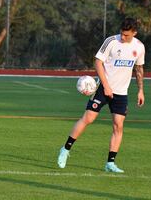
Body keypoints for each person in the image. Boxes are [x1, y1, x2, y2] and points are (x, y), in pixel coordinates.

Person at [57, 17, 145, 173]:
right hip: (103, 89)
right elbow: (98, 62)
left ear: (134, 33)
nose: (123, 37)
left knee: (118, 126)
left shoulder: (139, 47)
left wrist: (140, 90)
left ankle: (110, 163)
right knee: (88, 118)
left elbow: (138, 69)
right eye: (121, 34)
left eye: (126, 35)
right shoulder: (111, 41)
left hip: (121, 93)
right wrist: (106, 86)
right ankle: (65, 149)